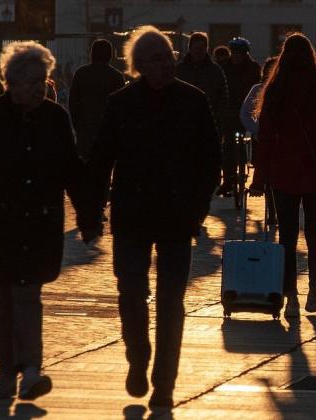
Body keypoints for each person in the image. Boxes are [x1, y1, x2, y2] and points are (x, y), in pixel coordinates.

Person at [0, 41, 94, 401]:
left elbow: (71, 170)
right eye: (31, 81)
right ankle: (5, 372)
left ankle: (30, 370)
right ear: (10, 82)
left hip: (39, 224)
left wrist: (89, 216)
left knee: (28, 297)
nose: (39, 87)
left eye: (43, 79)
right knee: (2, 304)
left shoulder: (55, 118)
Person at [86, 26, 221, 413]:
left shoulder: (193, 101)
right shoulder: (121, 103)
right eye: (156, 58)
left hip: (179, 217)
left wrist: (198, 206)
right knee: (130, 294)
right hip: (132, 216)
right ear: (139, 66)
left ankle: (164, 384)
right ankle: (137, 355)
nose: (167, 63)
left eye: (168, 55)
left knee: (170, 302)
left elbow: (211, 158)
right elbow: (99, 162)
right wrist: (91, 214)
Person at [249, 33, 316, 318]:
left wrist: (258, 178)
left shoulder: (276, 86)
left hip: (284, 171)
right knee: (315, 234)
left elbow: (266, 136)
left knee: (287, 237)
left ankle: (290, 296)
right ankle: (315, 288)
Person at [69, 39, 126, 161]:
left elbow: (73, 102)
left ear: (92, 53)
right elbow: (122, 107)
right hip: (108, 132)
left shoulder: (81, 73)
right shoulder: (116, 76)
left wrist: (78, 126)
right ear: (110, 55)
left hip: (85, 130)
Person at [219, 37, 261, 196]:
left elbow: (256, 90)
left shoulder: (253, 68)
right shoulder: (224, 67)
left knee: (250, 140)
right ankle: (228, 180)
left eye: (239, 53)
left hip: (246, 111)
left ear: (245, 54)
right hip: (229, 111)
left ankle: (249, 168)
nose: (236, 56)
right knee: (228, 145)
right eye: (234, 53)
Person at [240, 56, 279, 225]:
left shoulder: (285, 87)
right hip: (263, 138)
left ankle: (276, 209)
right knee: (268, 175)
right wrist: (257, 130)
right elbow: (245, 113)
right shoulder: (258, 89)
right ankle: (272, 211)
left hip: (283, 139)